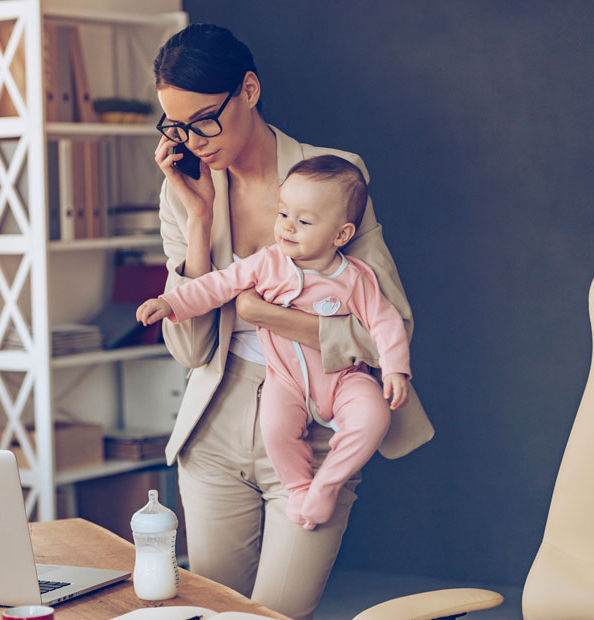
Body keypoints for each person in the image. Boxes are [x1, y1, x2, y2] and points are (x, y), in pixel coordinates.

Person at [150, 23, 434, 620]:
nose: (193, 140)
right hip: (216, 427)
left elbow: (388, 329)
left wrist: (265, 314)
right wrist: (197, 222)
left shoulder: (332, 175)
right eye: (176, 126)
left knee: (275, 615)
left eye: (205, 119)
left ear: (248, 90)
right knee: (209, 613)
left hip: (317, 426)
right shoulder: (183, 192)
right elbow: (191, 351)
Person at [138, 154, 411, 530]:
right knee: (275, 427)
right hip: (285, 381)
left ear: (341, 235)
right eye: (283, 214)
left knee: (374, 416)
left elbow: (385, 321)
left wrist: (395, 369)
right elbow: (218, 285)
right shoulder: (267, 262)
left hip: (345, 378)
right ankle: (299, 487)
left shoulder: (355, 277)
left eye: (304, 221)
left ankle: (327, 484)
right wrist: (170, 302)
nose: (287, 228)